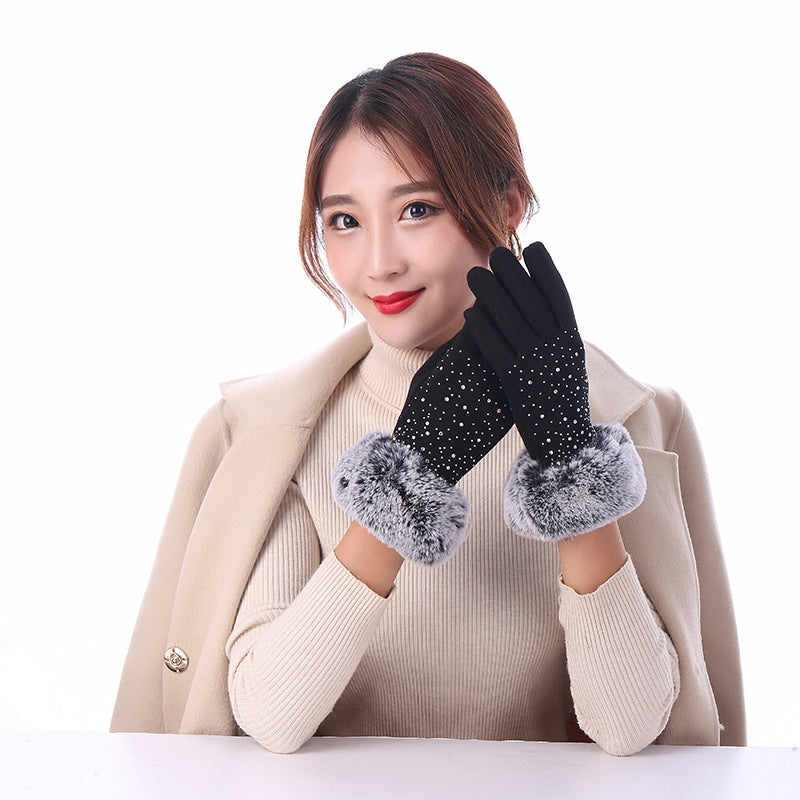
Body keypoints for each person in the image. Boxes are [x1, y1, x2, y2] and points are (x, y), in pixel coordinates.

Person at [110, 53, 746, 756]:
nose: (379, 261)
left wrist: (570, 463)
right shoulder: (279, 431)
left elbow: (629, 727)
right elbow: (269, 711)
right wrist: (406, 480)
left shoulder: (631, 421)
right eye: (344, 220)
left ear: (508, 204)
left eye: (417, 209)